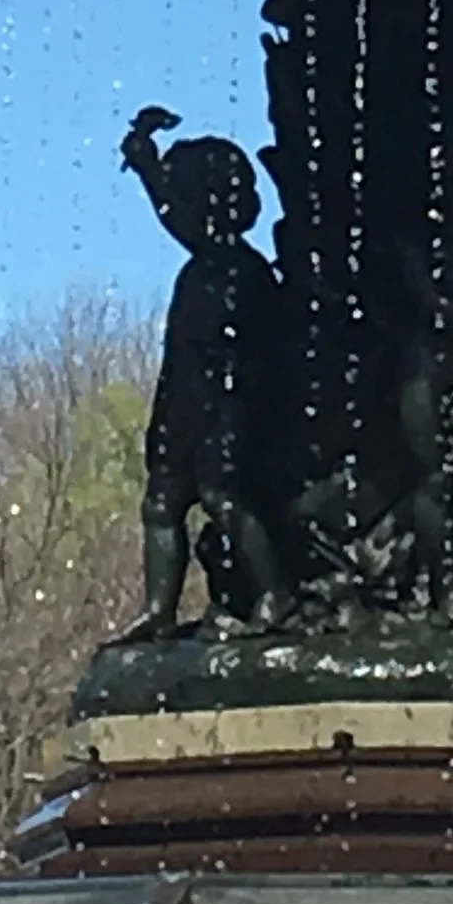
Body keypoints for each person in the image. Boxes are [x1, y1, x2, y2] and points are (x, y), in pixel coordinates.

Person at [117, 105, 295, 636]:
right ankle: (158, 611)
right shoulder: (205, 265)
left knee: (222, 496)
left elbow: (264, 359)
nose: (179, 212)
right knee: (161, 502)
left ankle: (276, 593)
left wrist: (147, 162)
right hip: (185, 402)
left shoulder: (241, 269)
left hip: (228, 405)